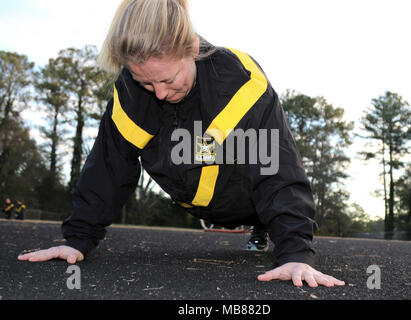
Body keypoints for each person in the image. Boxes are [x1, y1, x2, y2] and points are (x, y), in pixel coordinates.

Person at [18, 0, 345, 288]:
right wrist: (78, 239)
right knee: (178, 142)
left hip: (242, 189)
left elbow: (278, 167)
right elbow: (108, 166)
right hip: (187, 179)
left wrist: (296, 253)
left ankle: (264, 226)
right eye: (145, 81)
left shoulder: (241, 83)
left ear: (192, 49)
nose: (158, 92)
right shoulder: (130, 95)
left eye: (168, 79)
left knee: (245, 149)